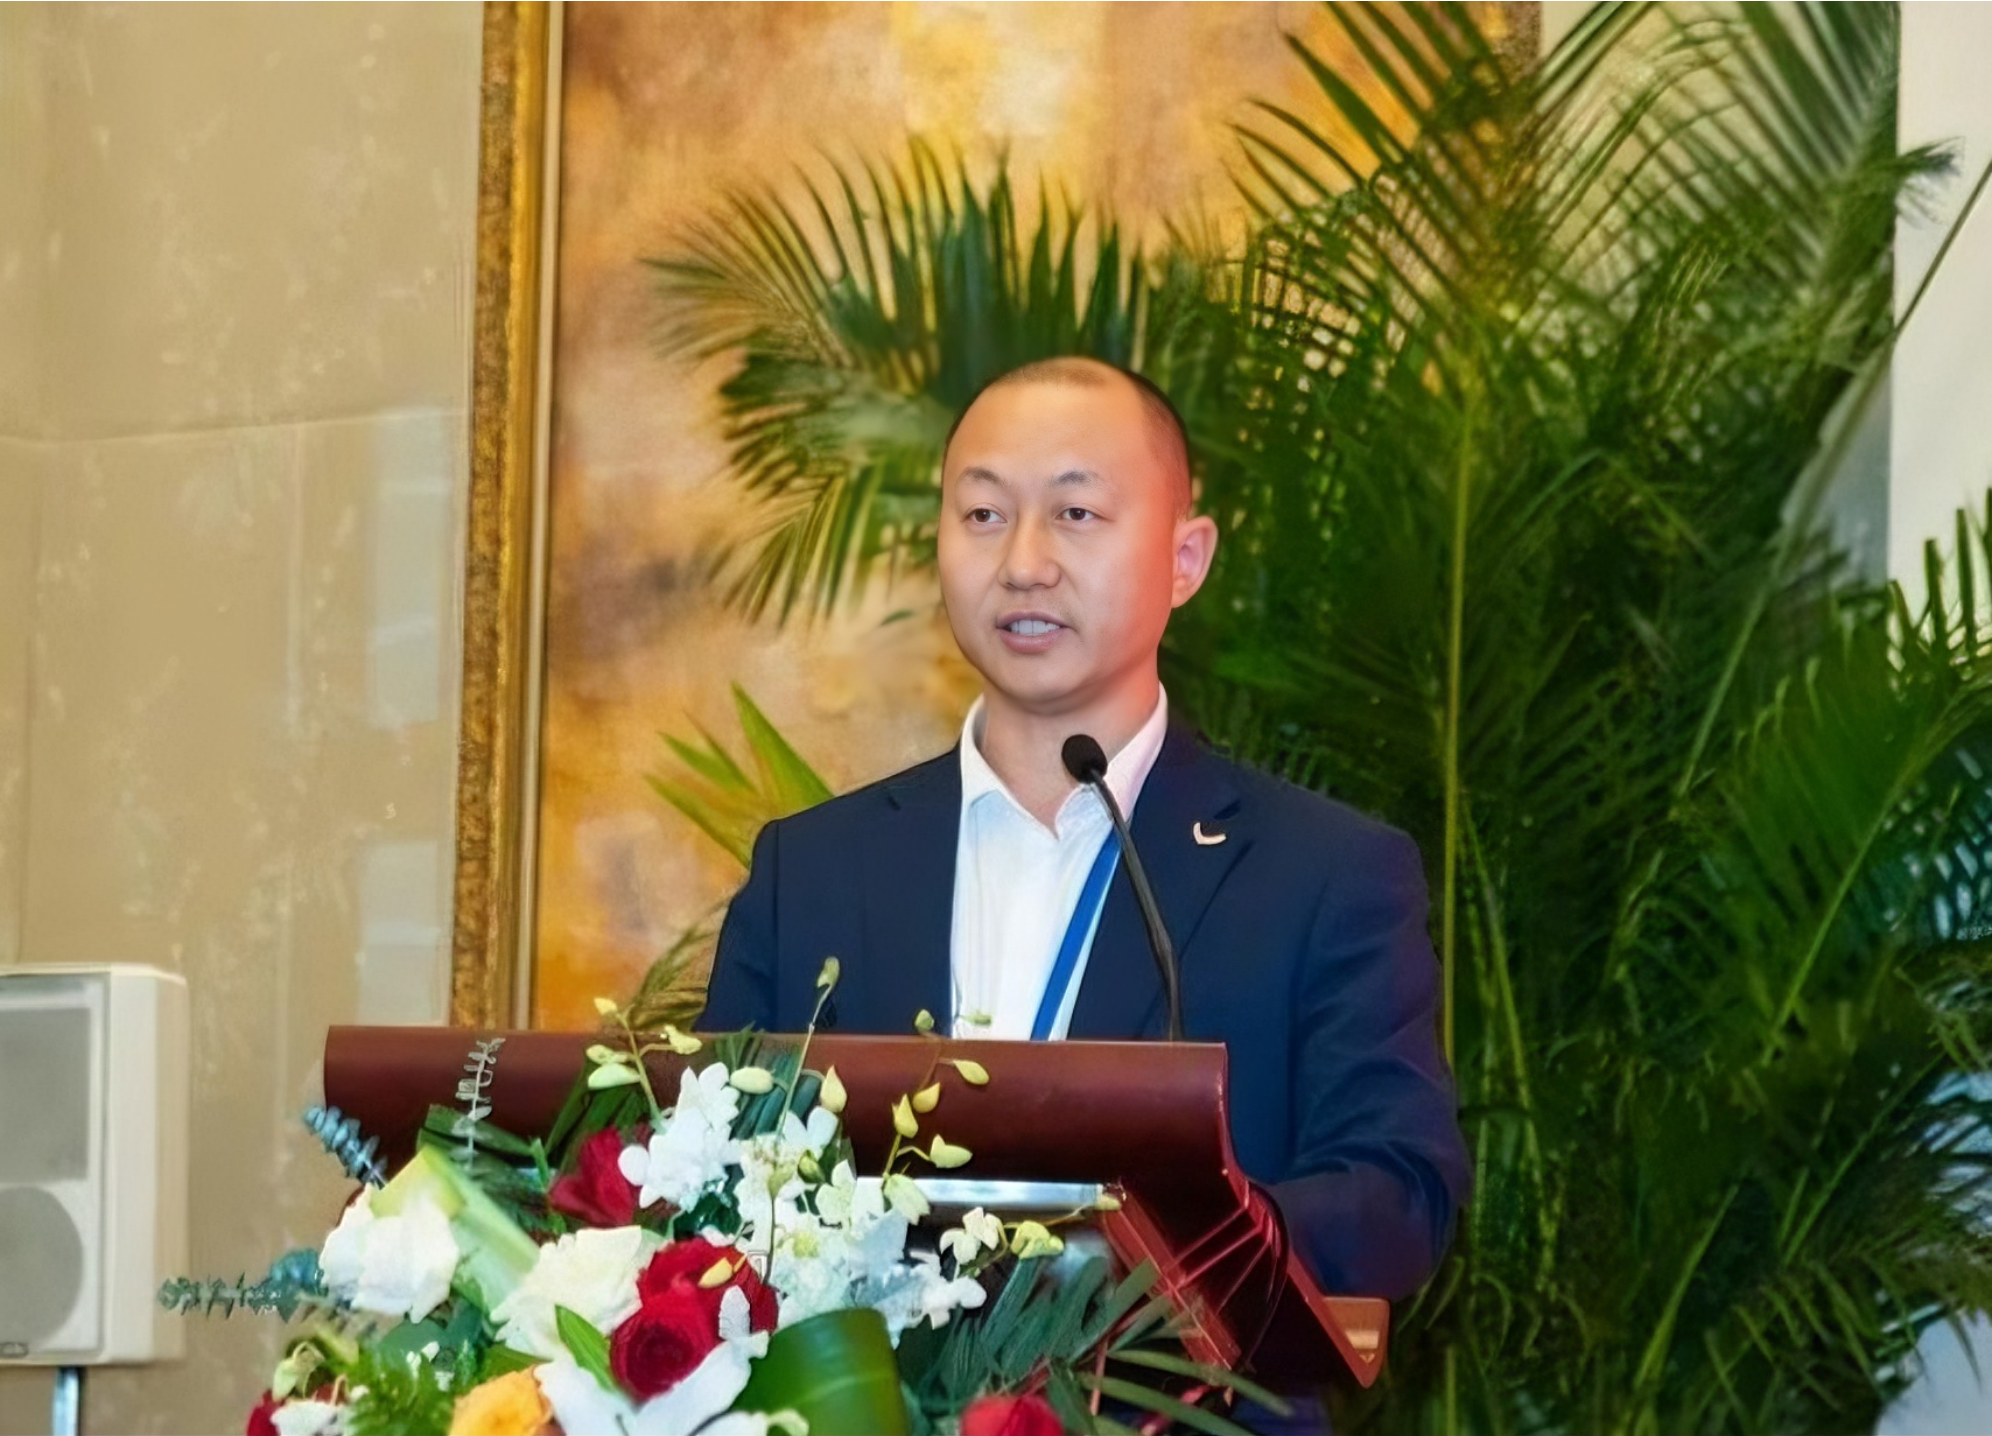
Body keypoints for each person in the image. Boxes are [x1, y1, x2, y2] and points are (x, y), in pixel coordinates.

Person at [698, 356, 1470, 1317]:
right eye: (984, 513)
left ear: (1185, 560)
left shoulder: (1323, 875)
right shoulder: (811, 872)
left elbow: (1398, 1198)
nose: (1024, 562)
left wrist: (1146, 1256)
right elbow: (709, 1171)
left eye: (1076, 512)